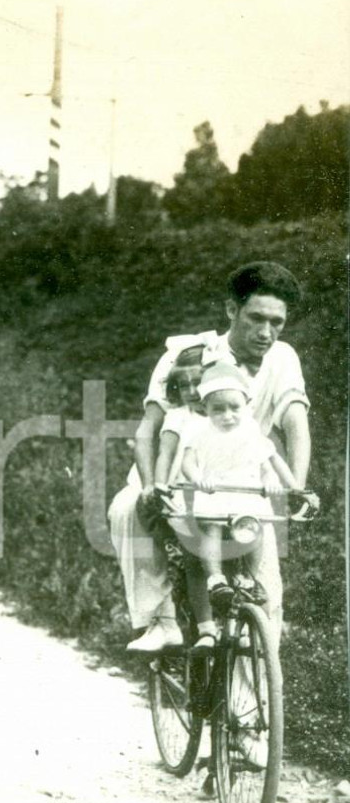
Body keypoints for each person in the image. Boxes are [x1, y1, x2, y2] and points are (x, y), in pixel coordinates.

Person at [110, 261, 314, 654]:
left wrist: (298, 487)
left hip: (238, 483)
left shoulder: (283, 358)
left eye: (277, 322)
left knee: (267, 594)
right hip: (179, 474)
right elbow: (149, 429)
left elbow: (295, 422)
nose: (266, 332)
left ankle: (257, 698)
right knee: (125, 509)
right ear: (230, 310)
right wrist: (153, 484)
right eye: (256, 318)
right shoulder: (187, 354)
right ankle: (161, 620)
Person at [175, 361, 299, 654]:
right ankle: (216, 577)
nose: (227, 416)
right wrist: (199, 479)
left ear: (246, 405)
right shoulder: (202, 433)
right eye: (218, 409)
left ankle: (250, 579)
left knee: (255, 527)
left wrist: (289, 485)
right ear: (206, 409)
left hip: (246, 493)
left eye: (234, 408)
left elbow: (271, 462)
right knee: (211, 526)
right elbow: (187, 462)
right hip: (217, 492)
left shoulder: (253, 433)